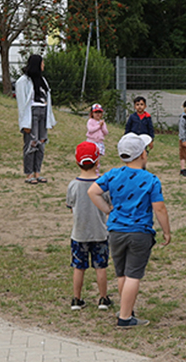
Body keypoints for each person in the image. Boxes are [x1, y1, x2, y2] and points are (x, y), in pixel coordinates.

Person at [88, 133, 172, 328]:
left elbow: (92, 191)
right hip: (139, 233)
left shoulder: (113, 174)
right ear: (143, 154)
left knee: (122, 274)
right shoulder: (151, 179)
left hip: (116, 232)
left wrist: (108, 210)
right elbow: (159, 208)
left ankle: (126, 309)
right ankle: (125, 317)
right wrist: (166, 231)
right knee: (134, 275)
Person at [67, 141, 112, 311]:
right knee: (101, 267)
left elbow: (70, 206)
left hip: (79, 234)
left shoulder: (73, 185)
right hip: (100, 232)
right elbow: (109, 206)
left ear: (77, 161)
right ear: (97, 161)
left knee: (79, 267)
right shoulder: (103, 184)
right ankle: (103, 298)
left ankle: (77, 299)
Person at [16, 54, 55, 184]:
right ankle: (28, 174)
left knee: (41, 144)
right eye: (42, 63)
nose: (44, 65)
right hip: (31, 114)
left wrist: (50, 119)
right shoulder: (23, 81)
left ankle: (37, 172)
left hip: (43, 113)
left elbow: (48, 100)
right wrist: (24, 123)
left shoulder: (43, 80)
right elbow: (22, 104)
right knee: (31, 144)